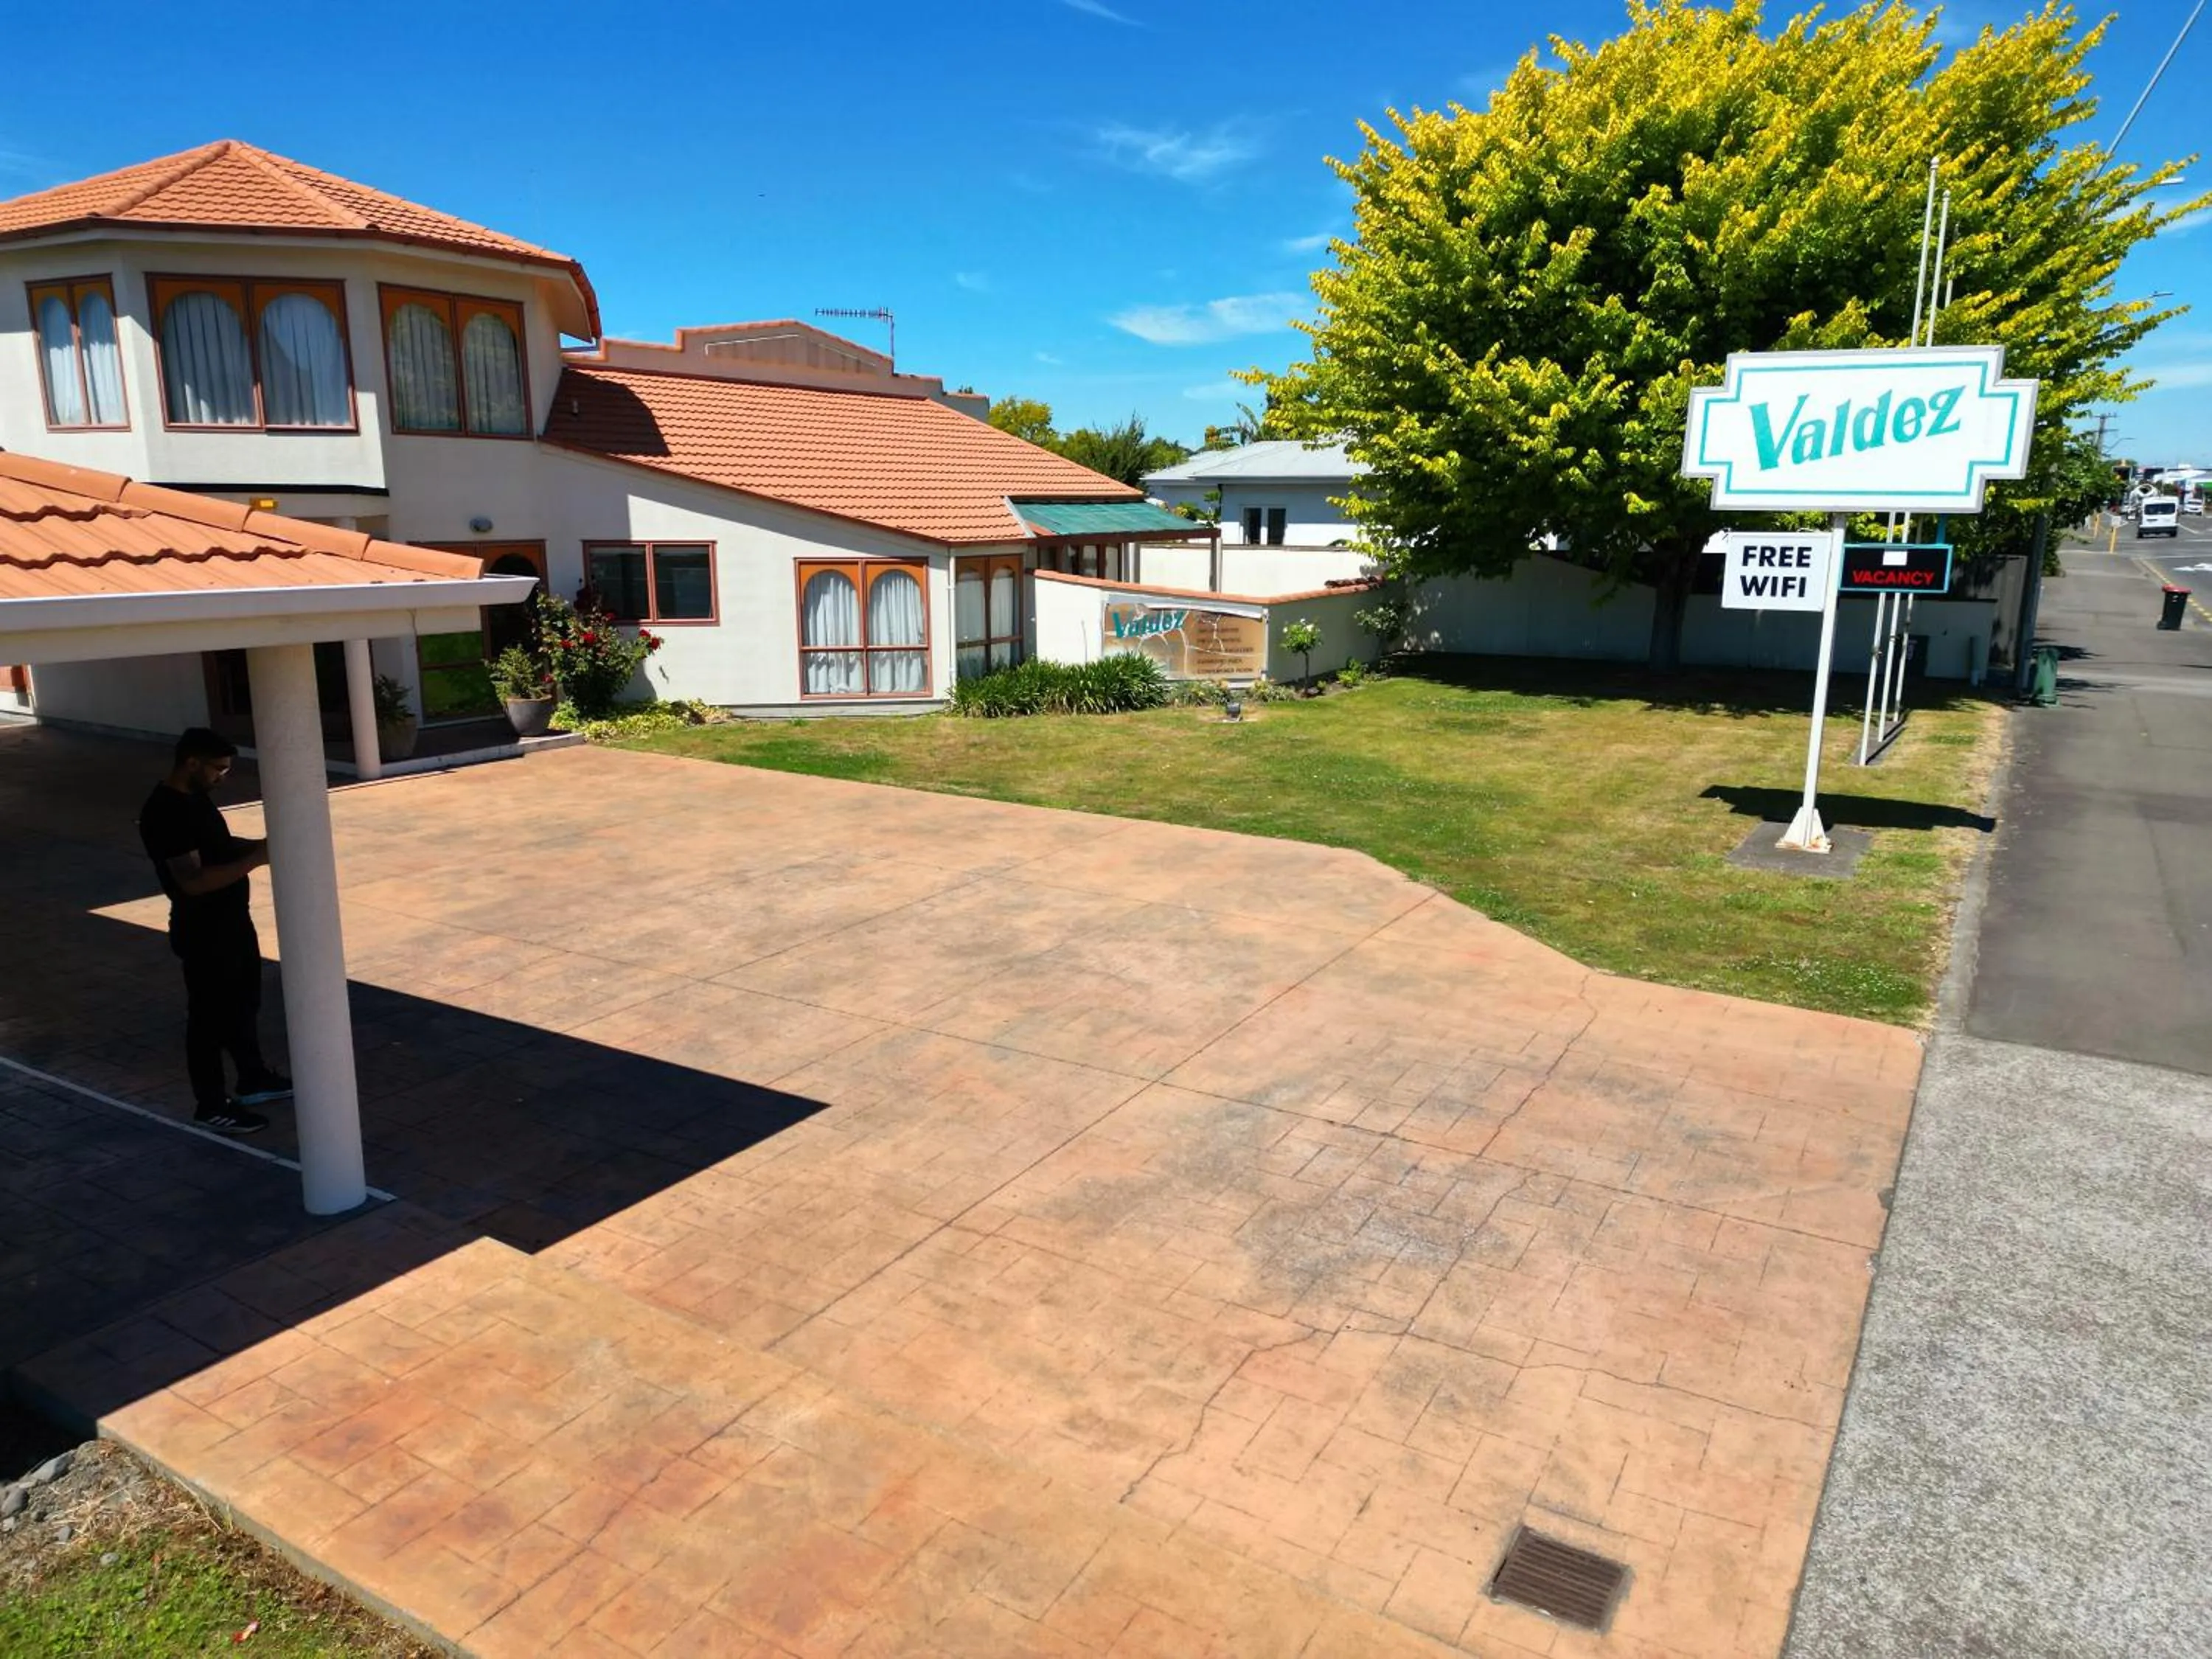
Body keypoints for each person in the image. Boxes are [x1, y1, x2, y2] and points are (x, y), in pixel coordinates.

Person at [138, 728, 292, 1135]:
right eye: (218, 769)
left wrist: (256, 845)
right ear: (192, 763)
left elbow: (216, 845)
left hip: (233, 922)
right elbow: (192, 881)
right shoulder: (165, 813)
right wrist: (257, 858)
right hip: (203, 932)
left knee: (243, 1004)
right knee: (208, 1019)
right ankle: (210, 1104)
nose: (223, 777)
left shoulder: (196, 797)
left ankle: (253, 1078)